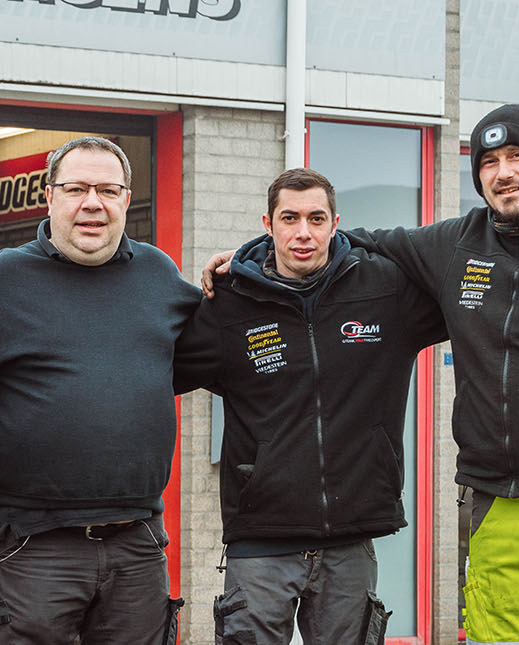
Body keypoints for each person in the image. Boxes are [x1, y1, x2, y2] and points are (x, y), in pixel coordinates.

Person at [203, 104, 519, 644]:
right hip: (498, 506)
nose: (503, 171)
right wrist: (251, 261)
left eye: (518, 156)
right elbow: (353, 240)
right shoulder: (455, 244)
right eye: (489, 161)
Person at [175, 168, 446, 645]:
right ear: (268, 223)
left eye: (317, 218)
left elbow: (473, 288)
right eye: (290, 218)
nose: (304, 232)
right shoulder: (229, 304)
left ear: (336, 223)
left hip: (350, 537)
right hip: (261, 539)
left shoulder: (385, 292)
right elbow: (156, 368)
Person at [0, 136, 200, 644]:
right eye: (77, 189)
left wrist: (246, 270)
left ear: (126, 200)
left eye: (108, 190)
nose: (93, 203)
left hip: (136, 540)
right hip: (33, 543)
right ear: (50, 197)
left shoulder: (159, 275)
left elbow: (208, 349)